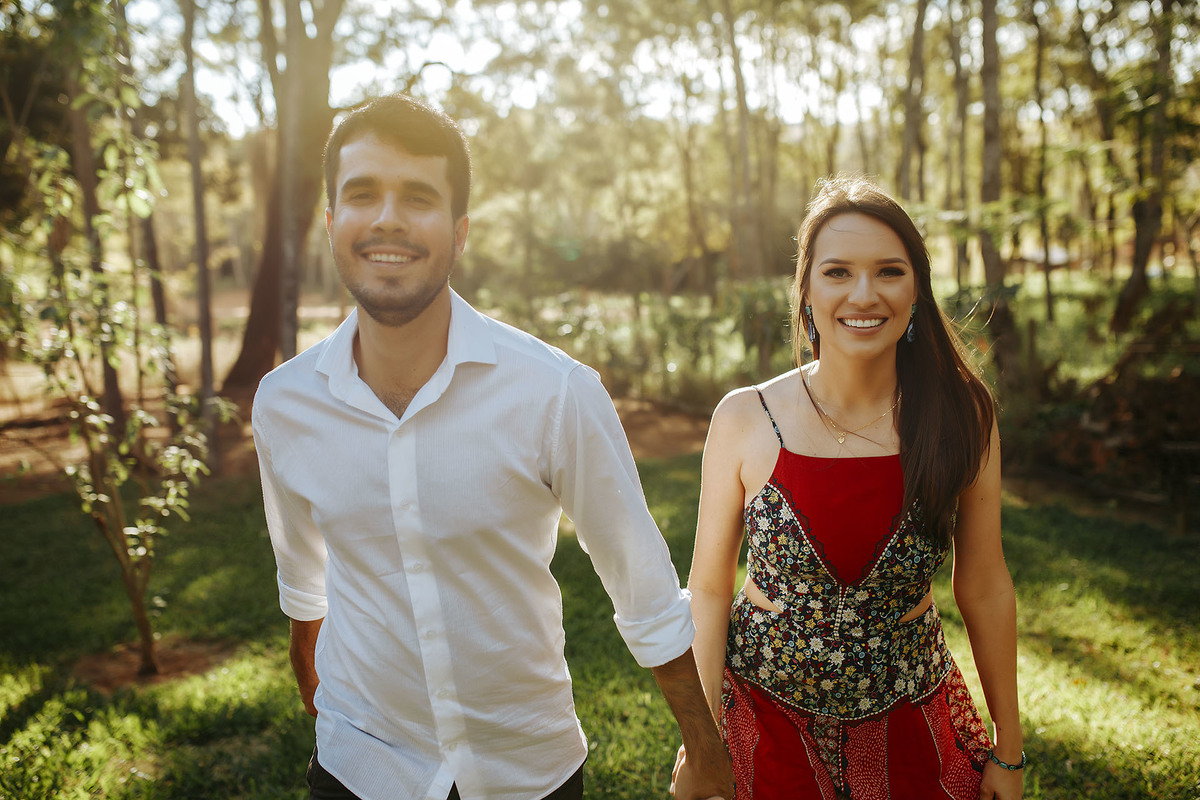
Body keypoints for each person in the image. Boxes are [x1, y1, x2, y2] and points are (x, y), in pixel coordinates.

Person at [252, 93, 734, 800]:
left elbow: (642, 583)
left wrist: (705, 746)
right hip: (360, 765)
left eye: (418, 197)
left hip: (527, 769)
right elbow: (304, 581)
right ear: (331, 222)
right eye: (362, 194)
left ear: (460, 232)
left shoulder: (556, 392)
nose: (388, 218)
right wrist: (325, 708)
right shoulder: (284, 404)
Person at [684, 176, 1024, 799]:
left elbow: (985, 583)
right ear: (806, 291)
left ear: (916, 289)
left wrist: (1010, 747)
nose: (864, 294)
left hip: (911, 723)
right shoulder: (744, 417)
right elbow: (707, 589)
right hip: (765, 723)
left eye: (889, 271)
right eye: (837, 272)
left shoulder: (962, 414)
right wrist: (703, 744)